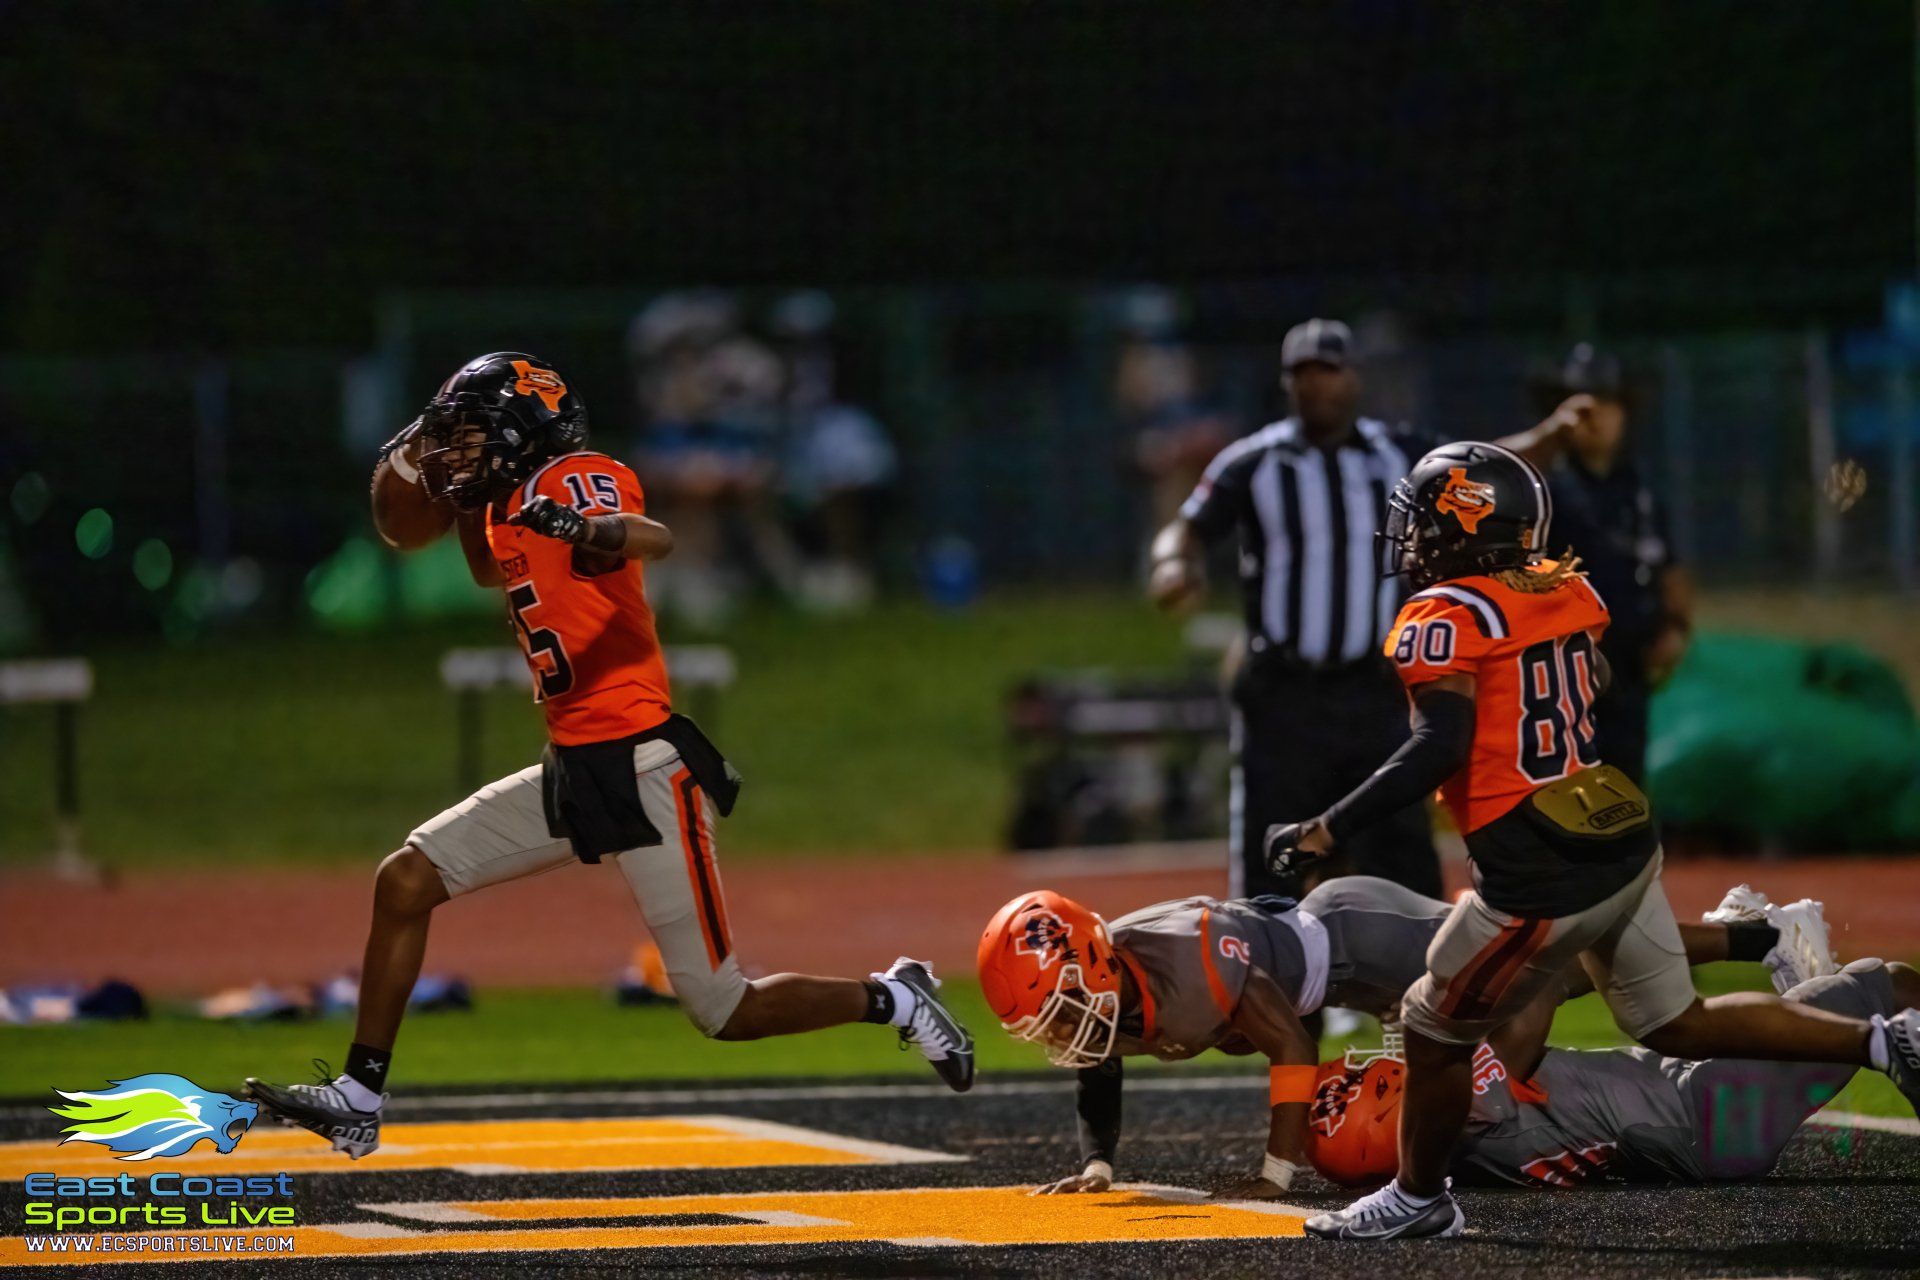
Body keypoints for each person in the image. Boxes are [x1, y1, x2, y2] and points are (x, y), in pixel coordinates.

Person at [246, 352, 972, 1157]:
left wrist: (582, 529)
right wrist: (455, 486)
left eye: (475, 433)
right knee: (405, 880)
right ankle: (358, 1096)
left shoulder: (577, 476)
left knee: (724, 1009)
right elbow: (474, 561)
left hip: (645, 767)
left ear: (524, 430)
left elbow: (648, 537)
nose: (460, 450)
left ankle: (896, 999)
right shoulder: (507, 503)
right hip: (574, 768)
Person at [1263, 440, 1920, 1239]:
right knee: (1674, 1020)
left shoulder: (1442, 616)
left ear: (1464, 525)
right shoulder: (1564, 585)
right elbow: (1594, 679)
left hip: (1538, 868)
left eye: (1426, 519)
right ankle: (1886, 1041)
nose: (1414, 537)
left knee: (1430, 1028)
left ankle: (1419, 1197)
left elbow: (1439, 744)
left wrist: (1328, 826)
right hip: (1617, 839)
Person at [974, 878, 1835, 1200]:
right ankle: (1749, 929)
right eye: (1048, 1019)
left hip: (1365, 938)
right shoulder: (1110, 991)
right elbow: (1098, 1065)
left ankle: (1766, 935)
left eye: (1062, 1006)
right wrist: (1098, 1163)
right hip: (1352, 969)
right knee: (1571, 964)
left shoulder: (1190, 966)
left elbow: (1293, 1047)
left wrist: (1277, 1174)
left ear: (1094, 961)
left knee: (1565, 965)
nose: (1063, 1029)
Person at [1147, 318, 1570, 901]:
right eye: (1303, 373)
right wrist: (1173, 564)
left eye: (1329, 370)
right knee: (1271, 859)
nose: (1317, 385)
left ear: (1354, 378)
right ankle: (1271, 957)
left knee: (1401, 849)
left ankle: (1412, 958)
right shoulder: (1253, 463)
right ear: (1286, 383)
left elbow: (1485, 467)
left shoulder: (1399, 453)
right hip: (1284, 693)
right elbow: (1187, 528)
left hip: (1374, 689)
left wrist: (1551, 434)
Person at [1309, 955, 1920, 1189]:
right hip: (1706, 1109)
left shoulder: (1452, 1149)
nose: (1374, 1065)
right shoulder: (1466, 1105)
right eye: (1366, 1082)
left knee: (1858, 1014)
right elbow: (1543, 989)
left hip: (1689, 1113)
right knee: (1886, 984)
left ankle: (1799, 1004)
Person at [1533, 345, 1692, 784]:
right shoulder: (1542, 492)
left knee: (1625, 783)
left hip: (1628, 668)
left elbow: (1668, 566)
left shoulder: (1640, 494)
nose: (1597, 418)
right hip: (1560, 672)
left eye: (1608, 404)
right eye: (1583, 406)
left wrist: (1675, 626)